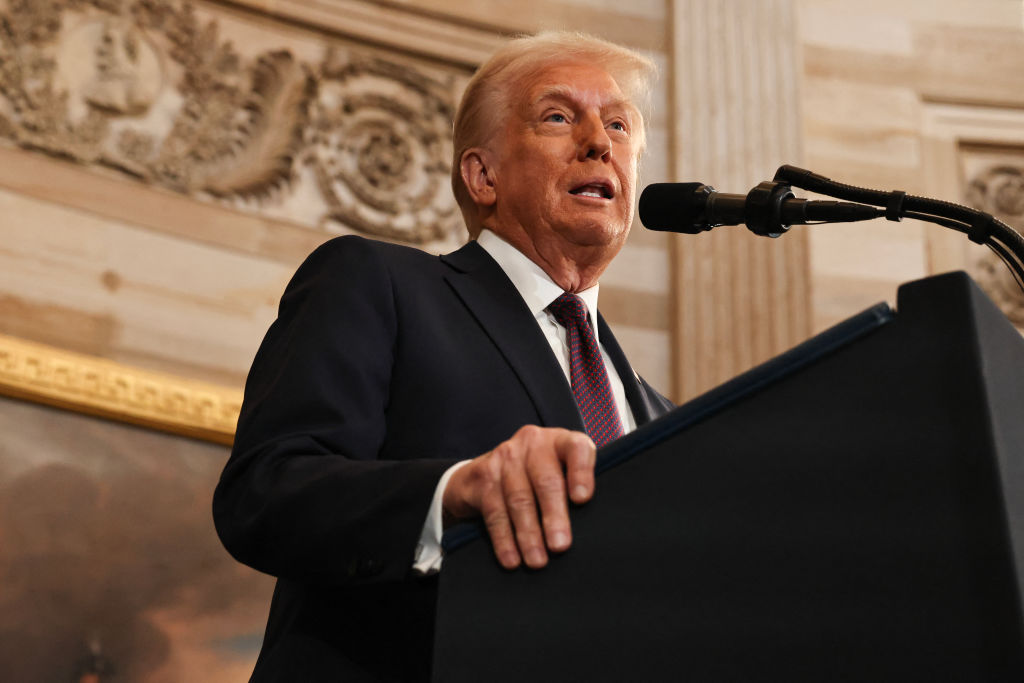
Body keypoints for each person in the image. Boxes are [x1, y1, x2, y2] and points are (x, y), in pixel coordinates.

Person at [213, 31, 673, 682]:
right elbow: (265, 492)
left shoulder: (663, 417)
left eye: (619, 125)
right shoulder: (378, 284)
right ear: (483, 175)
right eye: (558, 117)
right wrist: (449, 492)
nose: (600, 141)